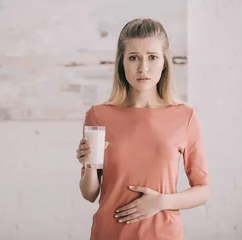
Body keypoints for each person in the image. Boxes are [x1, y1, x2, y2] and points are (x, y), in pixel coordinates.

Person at [76, 18, 210, 240]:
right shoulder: (98, 115)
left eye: (152, 57)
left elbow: (203, 190)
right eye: (133, 58)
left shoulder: (185, 116)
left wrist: (161, 202)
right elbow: (89, 194)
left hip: (163, 234)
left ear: (164, 62)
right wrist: (89, 165)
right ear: (122, 63)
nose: (143, 68)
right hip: (109, 233)